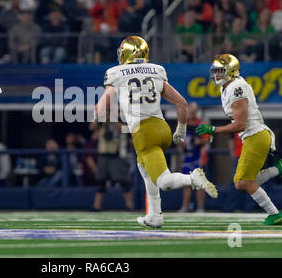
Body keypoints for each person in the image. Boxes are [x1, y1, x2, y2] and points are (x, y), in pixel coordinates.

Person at [95, 36, 218, 228]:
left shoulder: (115, 73)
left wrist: (110, 119)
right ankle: (154, 215)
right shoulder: (156, 69)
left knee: (164, 181)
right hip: (162, 128)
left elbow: (101, 110)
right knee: (144, 168)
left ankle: (193, 178)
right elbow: (181, 103)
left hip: (144, 132)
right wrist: (181, 129)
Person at [196, 54, 282, 225]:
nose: (216, 74)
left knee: (243, 182)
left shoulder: (237, 87)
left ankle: (275, 214)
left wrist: (214, 129)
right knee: (241, 183)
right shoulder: (226, 87)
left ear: (230, 71)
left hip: (255, 136)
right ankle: (279, 169)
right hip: (253, 137)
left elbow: (240, 125)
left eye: (220, 71)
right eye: (215, 71)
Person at [91, 122, 133, 211]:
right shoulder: (102, 118)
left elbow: (123, 130)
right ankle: (96, 206)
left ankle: (130, 206)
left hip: (117, 155)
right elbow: (91, 127)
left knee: (123, 180)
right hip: (103, 154)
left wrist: (112, 119)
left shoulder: (122, 116)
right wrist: (99, 116)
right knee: (100, 181)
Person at [177, 102, 209, 213]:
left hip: (198, 157)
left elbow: (208, 139)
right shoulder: (183, 124)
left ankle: (200, 208)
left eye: (192, 111)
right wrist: (182, 145)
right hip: (187, 158)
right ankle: (185, 206)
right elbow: (178, 141)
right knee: (186, 183)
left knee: (200, 183)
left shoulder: (201, 123)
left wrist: (199, 141)